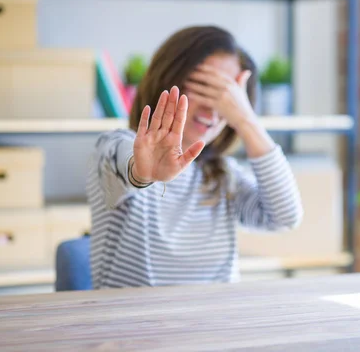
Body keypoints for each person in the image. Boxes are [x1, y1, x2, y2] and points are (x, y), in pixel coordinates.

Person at [86, 26, 304, 289]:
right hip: (137, 324)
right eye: (207, 88)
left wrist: (247, 121)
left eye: (229, 97)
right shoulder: (114, 146)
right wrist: (144, 172)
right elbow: (129, 166)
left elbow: (285, 217)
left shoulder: (223, 173)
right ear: (169, 80)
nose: (215, 108)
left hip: (212, 322)